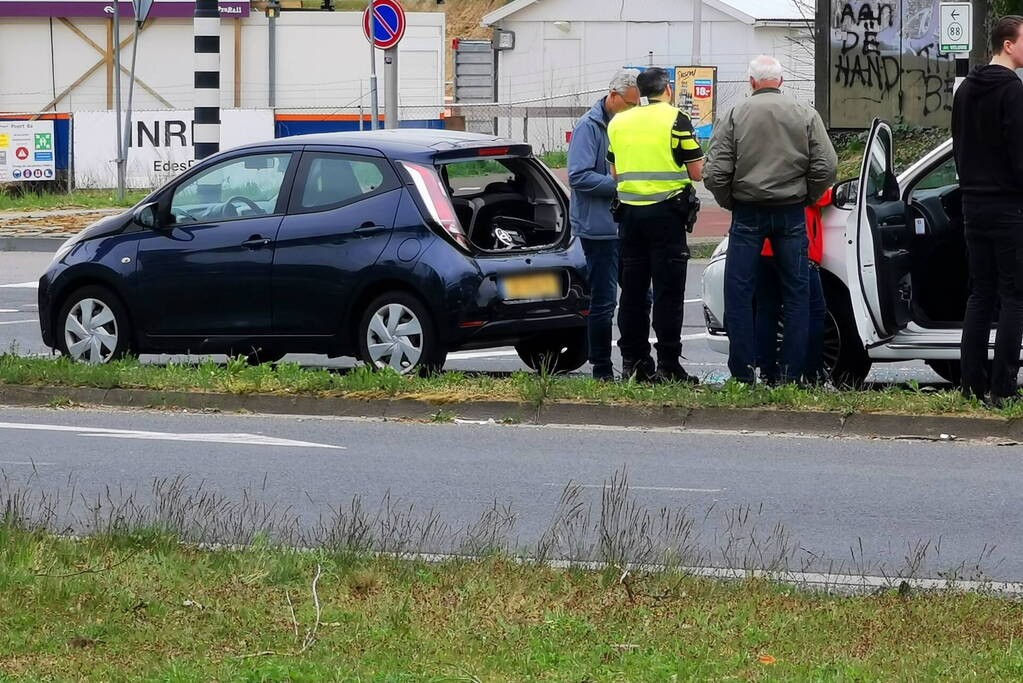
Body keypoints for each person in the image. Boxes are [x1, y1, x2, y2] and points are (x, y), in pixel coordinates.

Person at [704, 55, 837, 384]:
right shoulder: (804, 113)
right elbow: (827, 166)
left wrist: (730, 201)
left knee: (739, 292)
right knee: (796, 294)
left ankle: (744, 373)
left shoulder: (735, 115)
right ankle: (791, 374)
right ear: (780, 82)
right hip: (791, 211)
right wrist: (804, 196)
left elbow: (715, 172)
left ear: (751, 82)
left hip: (748, 211)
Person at [606, 67, 705, 383]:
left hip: (630, 217)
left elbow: (615, 172)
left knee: (632, 294)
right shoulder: (675, 119)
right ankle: (668, 364)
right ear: (669, 89)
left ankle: (633, 362)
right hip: (666, 215)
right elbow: (696, 171)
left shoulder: (619, 122)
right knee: (668, 292)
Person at [952, 16, 1023, 406]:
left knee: (981, 294)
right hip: (1009, 205)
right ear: (1008, 45)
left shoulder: (965, 91)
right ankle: (1004, 387)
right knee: (1014, 297)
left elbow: (958, 143)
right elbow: (1019, 154)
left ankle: (970, 385)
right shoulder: (1013, 91)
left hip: (972, 204)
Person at [567, 69, 640, 381]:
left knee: (639, 296)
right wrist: (621, 185)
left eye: (637, 104)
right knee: (604, 300)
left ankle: (633, 362)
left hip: (623, 225)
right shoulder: (589, 126)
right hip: (598, 228)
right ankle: (601, 369)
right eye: (629, 103)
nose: (632, 110)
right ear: (613, 95)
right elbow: (578, 176)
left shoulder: (625, 123)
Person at [755, 189, 831, 385]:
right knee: (810, 311)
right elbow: (821, 195)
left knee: (767, 311)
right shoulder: (800, 162)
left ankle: (767, 373)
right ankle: (809, 373)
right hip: (796, 246)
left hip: (762, 246)